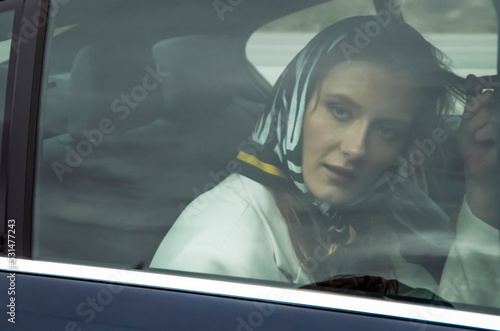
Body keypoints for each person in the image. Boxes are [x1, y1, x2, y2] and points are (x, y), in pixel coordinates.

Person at [151, 16, 500, 308]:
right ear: (294, 105)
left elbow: (447, 314)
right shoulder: (217, 257)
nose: (356, 148)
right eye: (340, 111)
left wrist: (483, 183)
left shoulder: (361, 213)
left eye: (387, 130)